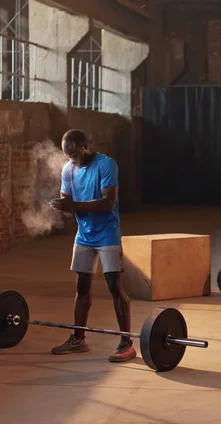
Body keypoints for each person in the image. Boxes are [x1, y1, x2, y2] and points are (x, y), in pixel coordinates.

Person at [50, 130, 136, 363]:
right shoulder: (68, 169)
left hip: (107, 233)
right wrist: (62, 205)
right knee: (82, 287)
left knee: (114, 285)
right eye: (67, 155)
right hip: (84, 235)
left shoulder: (106, 165)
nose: (71, 159)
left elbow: (108, 203)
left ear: (85, 147)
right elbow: (68, 201)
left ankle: (126, 343)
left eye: (74, 153)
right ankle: (78, 339)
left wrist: (73, 205)